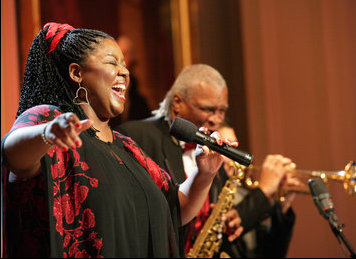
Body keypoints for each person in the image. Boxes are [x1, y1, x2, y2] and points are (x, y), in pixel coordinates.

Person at [1, 23, 227, 258]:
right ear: (76, 73)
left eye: (125, 65)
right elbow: (12, 155)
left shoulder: (127, 148)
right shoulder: (49, 120)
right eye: (112, 62)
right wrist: (46, 134)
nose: (125, 72)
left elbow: (175, 208)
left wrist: (204, 174)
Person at [116, 64, 296, 257]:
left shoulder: (211, 145)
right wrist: (262, 192)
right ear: (177, 102)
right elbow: (152, 216)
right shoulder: (135, 136)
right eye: (208, 109)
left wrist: (274, 203)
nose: (216, 120)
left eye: (222, 111)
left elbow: (226, 221)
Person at [218, 123, 300, 258]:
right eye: (225, 148)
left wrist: (282, 208)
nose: (232, 157)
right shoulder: (204, 196)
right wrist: (264, 190)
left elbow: (269, 253)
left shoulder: (243, 196)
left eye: (235, 147)